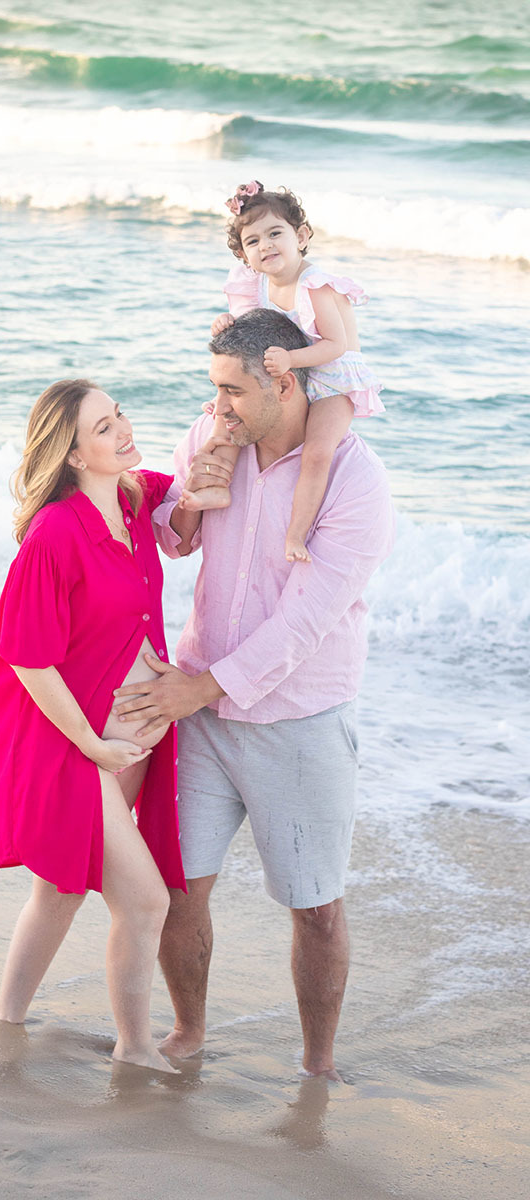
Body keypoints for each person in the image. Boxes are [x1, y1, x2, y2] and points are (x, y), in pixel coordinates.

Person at [113, 309, 395, 1078]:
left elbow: (308, 618)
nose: (218, 406)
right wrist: (188, 503)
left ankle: (317, 1066)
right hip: (200, 715)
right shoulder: (214, 437)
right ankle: (188, 1034)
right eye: (214, 389)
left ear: (281, 378)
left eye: (231, 390)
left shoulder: (354, 479)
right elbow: (167, 540)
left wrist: (201, 689)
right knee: (176, 887)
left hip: (299, 719)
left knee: (316, 906)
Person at [0, 379, 190, 1073]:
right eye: (104, 428)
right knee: (145, 900)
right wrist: (92, 744)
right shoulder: (53, 536)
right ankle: (135, 1048)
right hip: (73, 743)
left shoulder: (131, 501)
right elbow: (29, 659)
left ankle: (5, 1020)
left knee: (61, 889)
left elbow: (191, 485)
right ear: (72, 454)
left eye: (120, 414)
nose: (123, 430)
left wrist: (225, 434)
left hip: (123, 737)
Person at [185, 182, 384, 566]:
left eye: (275, 233)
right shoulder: (256, 283)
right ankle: (216, 487)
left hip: (331, 379)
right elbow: (252, 330)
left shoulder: (315, 285)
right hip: (290, 371)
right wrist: (227, 323)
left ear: (301, 235)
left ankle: (296, 534)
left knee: (317, 452)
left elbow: (335, 345)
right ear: (244, 254)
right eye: (253, 241)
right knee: (223, 417)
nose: (266, 246)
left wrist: (291, 359)